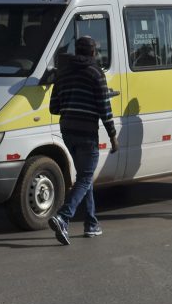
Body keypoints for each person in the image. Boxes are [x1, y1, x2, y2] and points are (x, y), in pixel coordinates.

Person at [47, 35, 119, 245]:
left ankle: (91, 224)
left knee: (83, 177)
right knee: (86, 177)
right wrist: (113, 136)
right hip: (87, 132)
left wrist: (72, 101)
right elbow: (104, 109)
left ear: (76, 51)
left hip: (67, 130)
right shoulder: (96, 73)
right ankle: (63, 217)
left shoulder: (62, 73)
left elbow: (54, 107)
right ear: (93, 52)